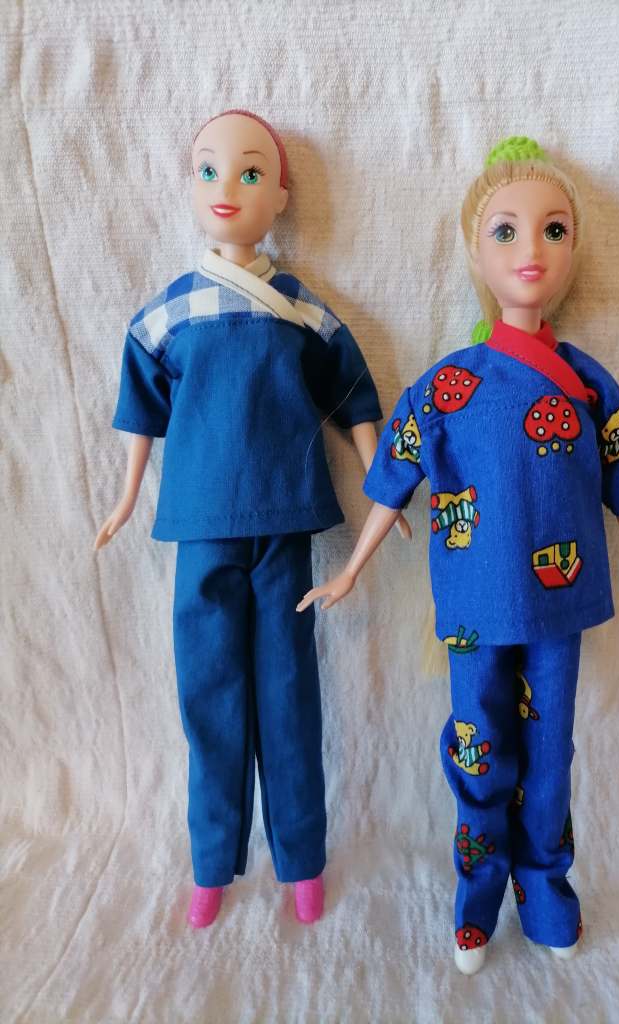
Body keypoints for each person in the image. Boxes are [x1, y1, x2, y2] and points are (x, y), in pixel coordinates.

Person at [297, 136, 619, 973]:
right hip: (476, 606)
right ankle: (476, 902)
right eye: (505, 231)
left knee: (549, 761)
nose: (532, 251)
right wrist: (349, 568)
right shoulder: (449, 385)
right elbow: (395, 475)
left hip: (560, 604)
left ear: (575, 249)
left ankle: (547, 891)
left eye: (554, 230)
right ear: (475, 251)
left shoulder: (587, 383)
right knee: (479, 753)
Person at [95, 109, 402, 928]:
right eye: (208, 170)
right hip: (200, 524)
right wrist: (125, 495)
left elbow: (351, 389)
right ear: (189, 186)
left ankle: (302, 858)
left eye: (251, 172)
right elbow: (140, 403)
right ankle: (212, 862)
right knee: (209, 694)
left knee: (289, 691)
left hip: (284, 521)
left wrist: (380, 476)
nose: (227, 187)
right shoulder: (169, 313)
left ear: (281, 197)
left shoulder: (299, 309)